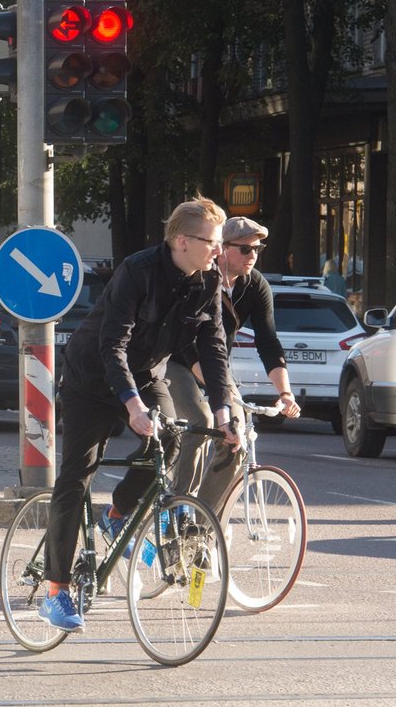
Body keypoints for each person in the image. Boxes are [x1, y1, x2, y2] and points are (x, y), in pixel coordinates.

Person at [40, 196, 242, 633]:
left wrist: (224, 410)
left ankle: (118, 514)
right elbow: (111, 343)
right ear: (183, 241)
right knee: (76, 477)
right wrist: (131, 405)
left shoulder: (207, 280)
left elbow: (213, 346)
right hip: (92, 377)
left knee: (170, 438)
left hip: (148, 374)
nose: (218, 252)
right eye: (213, 242)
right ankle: (56, 589)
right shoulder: (138, 270)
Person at [167, 217, 301, 517]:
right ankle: (178, 505)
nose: (252, 255)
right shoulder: (202, 278)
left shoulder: (256, 286)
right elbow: (186, 343)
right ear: (222, 249)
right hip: (176, 361)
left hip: (215, 363)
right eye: (244, 249)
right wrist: (219, 394)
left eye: (257, 249)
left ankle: (200, 523)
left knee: (235, 438)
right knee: (202, 421)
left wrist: (285, 393)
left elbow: (268, 342)